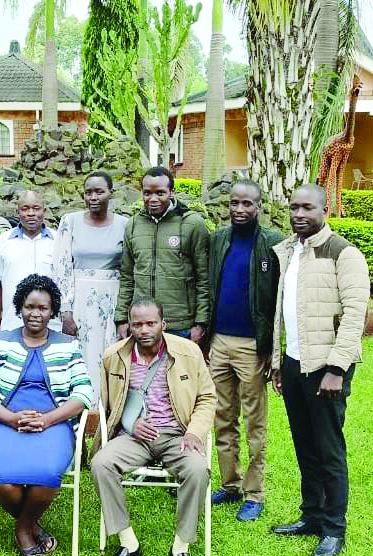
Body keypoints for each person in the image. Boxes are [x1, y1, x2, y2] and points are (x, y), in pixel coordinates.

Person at [269, 184, 369, 556]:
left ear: (324, 209)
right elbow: (285, 312)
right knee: (304, 447)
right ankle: (311, 516)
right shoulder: (289, 250)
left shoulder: (344, 253)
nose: (299, 214)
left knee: (328, 450)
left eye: (307, 207)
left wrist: (336, 369)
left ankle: (332, 528)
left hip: (326, 368)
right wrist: (280, 364)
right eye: (293, 206)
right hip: (295, 364)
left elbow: (354, 315)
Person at [0, 274, 93, 556]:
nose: (35, 314)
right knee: (1, 481)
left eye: (42, 308)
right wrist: (12, 419)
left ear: (52, 311)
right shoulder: (1, 340)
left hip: (53, 424)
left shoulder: (67, 345)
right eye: (29, 307)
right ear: (20, 307)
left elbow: (84, 393)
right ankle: (33, 527)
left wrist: (50, 419)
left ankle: (23, 530)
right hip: (6, 421)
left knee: (47, 475)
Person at [92, 300, 216, 556]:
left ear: (163, 324)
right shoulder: (115, 356)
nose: (144, 329)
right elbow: (110, 402)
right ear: (129, 327)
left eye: (150, 323)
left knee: (197, 470)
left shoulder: (188, 352)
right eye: (137, 324)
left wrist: (195, 432)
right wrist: (130, 423)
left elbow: (207, 397)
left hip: (177, 434)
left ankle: (180, 548)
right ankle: (128, 544)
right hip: (134, 437)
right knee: (101, 464)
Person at [206, 180, 282, 522]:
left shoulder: (273, 244)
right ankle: (230, 483)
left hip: (253, 345)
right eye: (235, 203)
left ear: (259, 205)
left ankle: (255, 492)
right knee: (221, 416)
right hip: (218, 341)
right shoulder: (218, 239)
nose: (240, 209)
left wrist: (271, 348)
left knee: (254, 421)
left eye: (247, 204)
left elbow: (279, 302)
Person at [115, 166, 210, 343]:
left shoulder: (192, 224)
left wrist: (201, 322)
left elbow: (203, 278)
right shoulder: (133, 225)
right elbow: (127, 276)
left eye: (160, 193)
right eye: (147, 193)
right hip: (142, 324)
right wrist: (121, 319)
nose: (153, 199)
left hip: (180, 325)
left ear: (172, 192)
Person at [53, 171, 129, 383]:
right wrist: (65, 311)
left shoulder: (125, 225)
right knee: (81, 357)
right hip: (79, 302)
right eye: (88, 192)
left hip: (111, 302)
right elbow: (62, 266)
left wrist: (124, 312)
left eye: (99, 192)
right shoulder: (70, 221)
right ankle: (83, 411)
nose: (93, 197)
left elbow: (129, 270)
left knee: (110, 355)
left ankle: (108, 411)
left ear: (110, 193)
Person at [0, 189, 60, 333]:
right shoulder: (3, 241)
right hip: (12, 324)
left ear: (44, 211)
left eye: (36, 208)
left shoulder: (58, 240)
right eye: (25, 209)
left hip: (52, 325)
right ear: (18, 212)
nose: (31, 214)